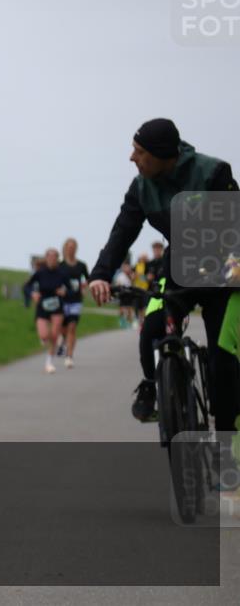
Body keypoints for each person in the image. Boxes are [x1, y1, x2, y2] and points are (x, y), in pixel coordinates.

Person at [88, 118, 239, 442]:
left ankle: (229, 450)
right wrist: (100, 274)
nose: (132, 157)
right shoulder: (141, 186)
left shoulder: (213, 173)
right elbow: (123, 232)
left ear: (162, 155)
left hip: (224, 272)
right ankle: (155, 386)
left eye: (139, 151)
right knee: (152, 328)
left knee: (223, 364)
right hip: (177, 267)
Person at [28, 248, 73, 374]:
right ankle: (55, 339)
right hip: (42, 305)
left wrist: (65, 292)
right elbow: (27, 286)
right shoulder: (40, 273)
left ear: (57, 259)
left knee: (53, 336)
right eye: (50, 257)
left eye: (55, 257)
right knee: (43, 335)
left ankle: (49, 362)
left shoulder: (62, 273)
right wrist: (33, 294)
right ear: (46, 258)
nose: (52, 259)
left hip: (57, 306)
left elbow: (71, 290)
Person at [57, 238, 88, 368]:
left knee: (72, 327)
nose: (71, 249)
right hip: (62, 301)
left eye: (73, 247)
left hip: (76, 300)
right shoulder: (60, 266)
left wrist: (84, 287)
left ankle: (69, 356)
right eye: (68, 247)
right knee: (63, 329)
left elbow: (88, 278)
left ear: (76, 249)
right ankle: (62, 341)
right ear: (65, 248)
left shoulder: (81, 265)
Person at [131, 253, 150, 328]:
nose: (143, 259)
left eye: (144, 258)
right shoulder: (136, 266)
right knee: (137, 306)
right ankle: (138, 320)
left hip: (145, 289)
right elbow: (132, 277)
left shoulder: (148, 266)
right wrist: (134, 276)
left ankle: (143, 321)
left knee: (144, 306)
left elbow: (150, 276)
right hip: (137, 289)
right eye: (142, 258)